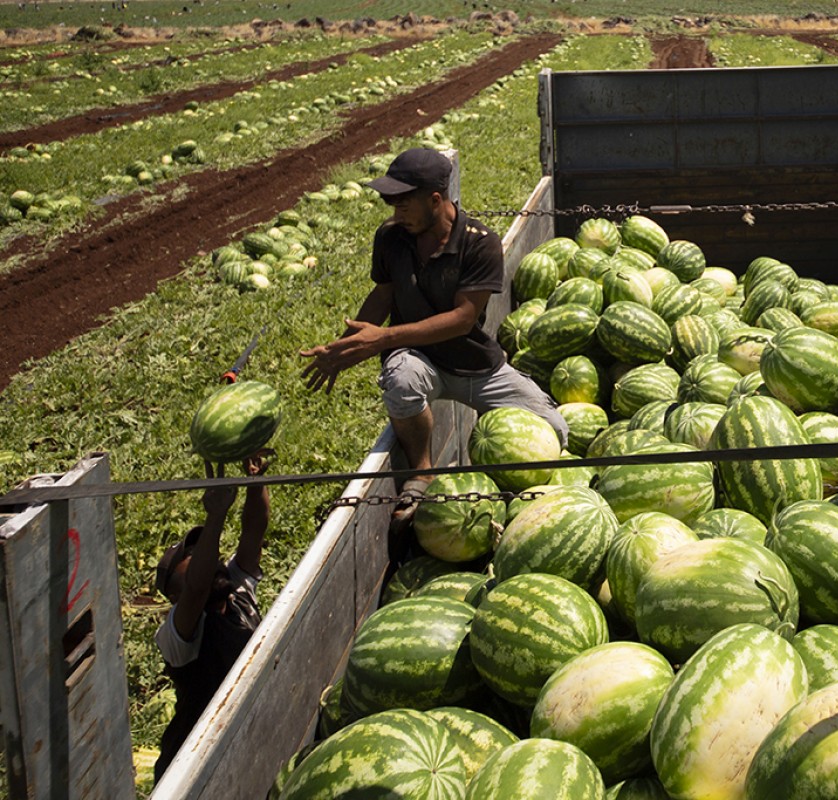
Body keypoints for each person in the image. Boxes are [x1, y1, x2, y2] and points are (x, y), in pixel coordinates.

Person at [299, 148, 567, 525]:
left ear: (435, 200)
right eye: (392, 205)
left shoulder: (480, 242)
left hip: (473, 364)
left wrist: (382, 337)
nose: (396, 215)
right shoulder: (392, 238)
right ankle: (421, 472)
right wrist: (346, 345)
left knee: (555, 429)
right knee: (401, 378)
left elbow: (462, 318)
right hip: (418, 359)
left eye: (404, 205)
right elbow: (383, 295)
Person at [153, 452, 271, 782]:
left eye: (198, 552)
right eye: (185, 559)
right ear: (173, 596)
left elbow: (254, 530)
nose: (197, 558)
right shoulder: (177, 636)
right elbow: (196, 589)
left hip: (244, 738)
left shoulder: (236, 591)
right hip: (193, 768)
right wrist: (216, 518)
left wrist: (254, 481)